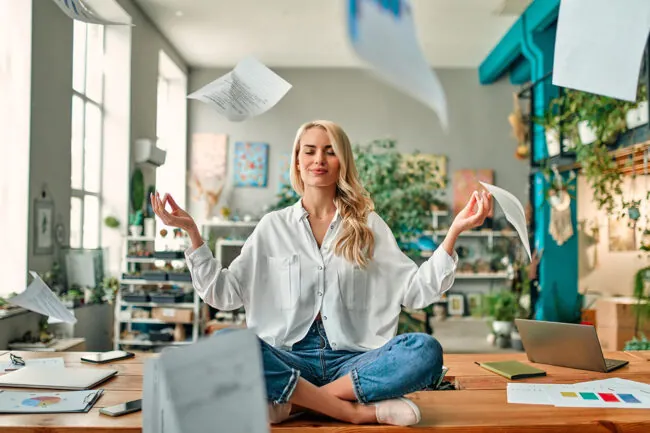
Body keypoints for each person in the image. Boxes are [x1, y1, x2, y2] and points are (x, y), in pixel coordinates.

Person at [151, 120, 491, 426]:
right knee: (226, 344)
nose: (319, 160)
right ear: (297, 159)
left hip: (355, 361)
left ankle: (296, 403)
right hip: (289, 356)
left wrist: (453, 233)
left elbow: (415, 293)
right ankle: (351, 411)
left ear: (342, 161)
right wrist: (193, 234)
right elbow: (223, 295)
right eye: (310, 151)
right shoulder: (272, 227)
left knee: (424, 351)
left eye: (330, 152)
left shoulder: (368, 226)